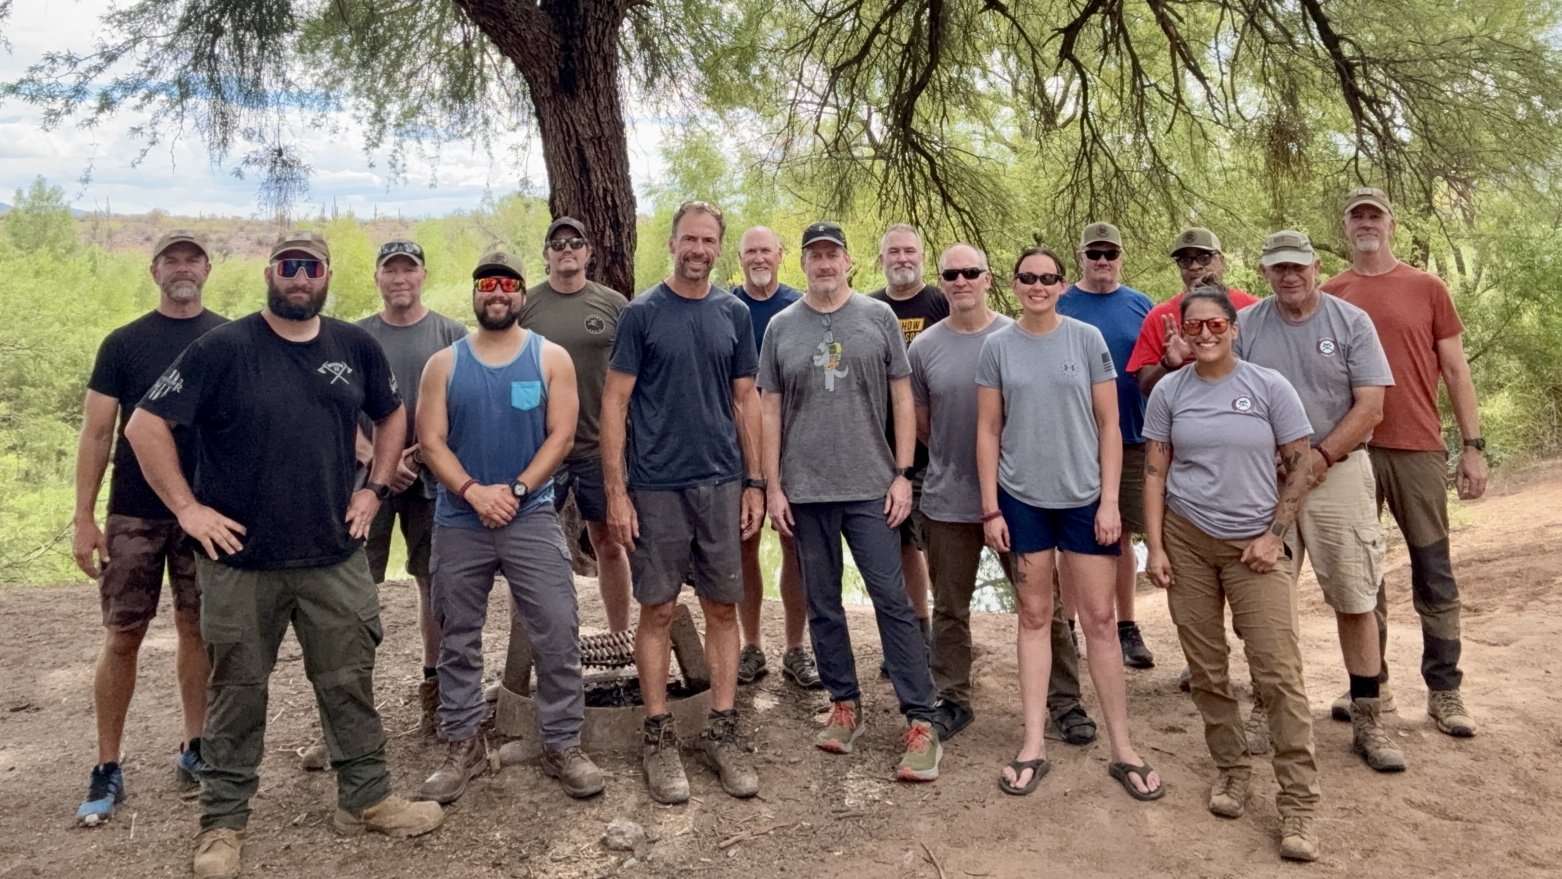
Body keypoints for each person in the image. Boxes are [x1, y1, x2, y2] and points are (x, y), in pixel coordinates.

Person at [126, 231, 442, 879]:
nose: (300, 278)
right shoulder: (222, 348)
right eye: (289, 266)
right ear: (270, 273)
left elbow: (392, 415)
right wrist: (187, 508)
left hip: (333, 554)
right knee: (237, 691)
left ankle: (366, 798)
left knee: (349, 679)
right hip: (241, 562)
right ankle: (223, 823)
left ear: (328, 275)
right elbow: (144, 425)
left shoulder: (353, 346)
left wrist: (375, 488)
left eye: (312, 267)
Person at [414, 249, 603, 804]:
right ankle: (463, 742)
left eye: (507, 285)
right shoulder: (443, 365)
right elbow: (431, 442)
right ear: (475, 294)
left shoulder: (551, 358)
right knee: (456, 636)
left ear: (522, 294)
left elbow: (561, 437)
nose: (497, 294)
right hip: (459, 518)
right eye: (487, 285)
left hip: (531, 514)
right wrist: (473, 491)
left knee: (557, 629)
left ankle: (563, 741)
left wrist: (517, 490)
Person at [1142, 280, 1321, 861]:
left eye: (1215, 324)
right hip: (1187, 539)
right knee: (1206, 669)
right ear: (1182, 332)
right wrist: (1156, 548)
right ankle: (1232, 770)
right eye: (1194, 326)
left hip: (1255, 544)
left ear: (1233, 329)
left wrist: (1276, 535)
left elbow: (1301, 465)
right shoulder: (1169, 391)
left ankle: (1298, 804)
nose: (1205, 334)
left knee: (1277, 671)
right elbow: (1155, 473)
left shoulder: (1268, 387)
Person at [977, 246, 1163, 801]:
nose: (1037, 286)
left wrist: (1110, 502)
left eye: (1047, 278)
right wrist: (990, 507)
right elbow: (988, 429)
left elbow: (1110, 425)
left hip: (1085, 498)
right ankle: (1033, 743)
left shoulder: (1086, 339)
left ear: (1062, 286)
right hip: (1021, 498)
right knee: (1035, 616)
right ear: (1013, 285)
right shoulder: (997, 347)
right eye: (1027, 278)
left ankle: (1123, 749)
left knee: (1101, 620)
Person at [760, 221, 943, 782]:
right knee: (823, 602)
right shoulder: (780, 327)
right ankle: (845, 704)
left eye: (832, 255)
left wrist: (902, 474)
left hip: (871, 486)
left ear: (848, 262)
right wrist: (772, 485)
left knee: (892, 600)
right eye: (814, 255)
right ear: (803, 264)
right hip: (806, 489)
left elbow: (902, 398)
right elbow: (768, 410)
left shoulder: (877, 317)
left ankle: (921, 718)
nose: (824, 264)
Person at [600, 200, 762, 805]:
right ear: (671, 244)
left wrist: (755, 481)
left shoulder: (733, 313)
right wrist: (617, 493)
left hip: (721, 483)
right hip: (656, 486)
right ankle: (659, 734)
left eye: (708, 240)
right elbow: (615, 403)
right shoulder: (642, 314)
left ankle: (722, 730)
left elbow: (745, 400)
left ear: (719, 248)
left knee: (722, 607)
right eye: (688, 239)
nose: (698, 250)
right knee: (659, 609)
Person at [910, 243, 1096, 745]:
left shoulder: (1018, 337)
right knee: (949, 607)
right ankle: (952, 697)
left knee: (1042, 606)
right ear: (941, 282)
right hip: (949, 498)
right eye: (951, 274)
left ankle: (1065, 702)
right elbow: (924, 423)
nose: (961, 281)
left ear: (989, 279)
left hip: (1019, 499)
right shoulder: (923, 348)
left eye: (971, 272)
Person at [1235, 230, 1405, 773]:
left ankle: (1368, 717)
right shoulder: (1247, 326)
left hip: (1340, 472)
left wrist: (1322, 456)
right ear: (1265, 272)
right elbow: (1229, 395)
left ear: (1315, 267)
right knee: (1264, 600)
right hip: (1267, 481)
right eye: (1278, 267)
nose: (1289, 276)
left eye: (1298, 266)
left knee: (1355, 596)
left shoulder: (1350, 322)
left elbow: (1371, 406)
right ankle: (1266, 708)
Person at [72, 230, 227, 826]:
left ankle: (195, 746)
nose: (182, 268)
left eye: (192, 259)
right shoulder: (123, 343)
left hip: (204, 510)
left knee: (197, 629)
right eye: (171, 260)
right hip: (133, 512)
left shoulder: (226, 338)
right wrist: (85, 517)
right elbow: (96, 434)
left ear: (208, 270)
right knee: (123, 635)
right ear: (154, 271)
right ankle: (107, 764)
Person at [1322, 186, 1486, 738]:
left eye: (1376, 215)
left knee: (1433, 569)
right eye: (1357, 216)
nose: (1366, 223)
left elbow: (1456, 370)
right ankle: (1373, 684)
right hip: (1352, 452)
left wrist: (1473, 446)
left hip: (1417, 446)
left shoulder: (1427, 287)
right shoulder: (1331, 294)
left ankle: (1445, 692)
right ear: (1346, 226)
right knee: (1361, 576)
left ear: (1391, 224)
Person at [355, 239, 467, 736]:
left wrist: (417, 455)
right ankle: (352, 710)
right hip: (365, 485)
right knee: (355, 589)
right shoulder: (355, 337)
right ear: (377, 278)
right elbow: (338, 407)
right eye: (390, 270)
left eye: (408, 269)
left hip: (431, 480)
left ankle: (435, 696)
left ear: (423, 275)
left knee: (433, 584)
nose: (399, 278)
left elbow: (462, 408)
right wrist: (375, 458)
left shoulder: (451, 335)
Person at [520, 217, 634, 633]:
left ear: (588, 252)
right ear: (546, 254)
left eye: (575, 242)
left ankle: (619, 635)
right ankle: (533, 643)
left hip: (598, 446)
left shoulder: (614, 303)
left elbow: (631, 373)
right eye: (557, 243)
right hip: (541, 448)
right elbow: (511, 366)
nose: (566, 249)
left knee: (608, 542)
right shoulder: (526, 305)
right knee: (528, 551)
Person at [1057, 222, 1156, 669]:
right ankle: (1067, 626)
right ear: (1080, 257)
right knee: (1070, 537)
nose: (1102, 261)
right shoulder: (1061, 302)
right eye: (1093, 254)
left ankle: (1126, 626)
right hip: (1073, 438)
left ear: (1121, 258)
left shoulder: (1140, 305)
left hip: (1132, 435)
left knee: (1122, 533)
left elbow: (1156, 366)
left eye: (1110, 254)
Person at [730, 225, 820, 688]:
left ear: (781, 255)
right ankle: (751, 646)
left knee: (793, 543)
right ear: (740, 258)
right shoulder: (726, 307)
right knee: (745, 543)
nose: (759, 258)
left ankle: (795, 648)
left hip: (793, 443)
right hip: (737, 443)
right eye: (751, 251)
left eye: (766, 250)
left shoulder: (799, 307)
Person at [866, 224, 943, 650]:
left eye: (909, 251)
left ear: (922, 257)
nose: (902, 258)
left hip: (936, 450)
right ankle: (917, 631)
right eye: (893, 251)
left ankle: (948, 632)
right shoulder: (868, 308)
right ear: (881, 259)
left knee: (940, 545)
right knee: (900, 545)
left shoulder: (942, 302)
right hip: (883, 451)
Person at [1128, 227, 1259, 397]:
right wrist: (1169, 364)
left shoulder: (1253, 309)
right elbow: (1145, 387)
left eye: (1204, 258)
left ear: (1221, 261)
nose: (1195, 266)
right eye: (1185, 260)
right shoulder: (1160, 317)